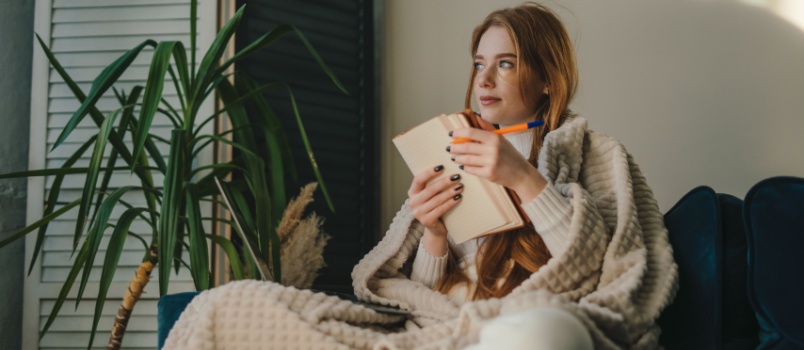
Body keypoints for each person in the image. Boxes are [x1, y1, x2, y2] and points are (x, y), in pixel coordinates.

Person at [163, 3, 677, 350]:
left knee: (539, 332)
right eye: (479, 64)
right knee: (227, 303)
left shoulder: (596, 156)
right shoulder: (452, 146)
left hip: (523, 321)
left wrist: (525, 181)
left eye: (506, 63)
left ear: (546, 78)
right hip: (437, 330)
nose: (485, 79)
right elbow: (425, 294)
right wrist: (432, 235)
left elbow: (604, 270)